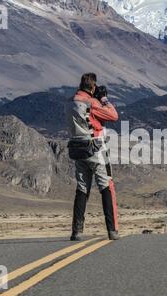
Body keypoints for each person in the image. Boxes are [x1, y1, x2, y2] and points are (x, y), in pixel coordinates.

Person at [64, 73, 120, 241]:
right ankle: (112, 230)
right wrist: (103, 99)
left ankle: (77, 231)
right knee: (106, 186)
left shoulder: (70, 102)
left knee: (82, 188)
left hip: (77, 148)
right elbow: (113, 115)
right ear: (93, 87)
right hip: (95, 148)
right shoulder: (92, 103)